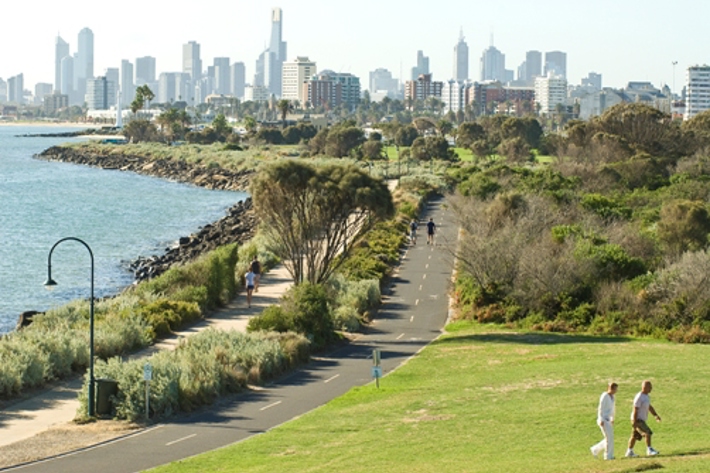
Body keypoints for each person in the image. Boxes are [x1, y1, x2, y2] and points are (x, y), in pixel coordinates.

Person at [626, 380, 661, 457]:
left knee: (635, 436)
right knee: (647, 432)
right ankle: (649, 450)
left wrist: (655, 415)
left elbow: (649, 407)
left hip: (640, 420)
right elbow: (635, 409)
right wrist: (635, 422)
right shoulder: (639, 397)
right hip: (638, 420)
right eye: (649, 387)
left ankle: (629, 452)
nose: (651, 388)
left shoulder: (646, 396)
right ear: (644, 387)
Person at [591, 382, 618, 460]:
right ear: (611, 388)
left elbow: (613, 409)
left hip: (608, 419)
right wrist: (601, 419)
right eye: (615, 389)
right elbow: (601, 408)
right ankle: (608, 456)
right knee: (609, 438)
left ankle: (595, 449)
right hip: (603, 419)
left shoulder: (613, 397)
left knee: (609, 438)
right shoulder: (604, 396)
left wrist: (612, 418)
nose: (616, 391)